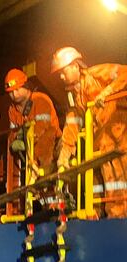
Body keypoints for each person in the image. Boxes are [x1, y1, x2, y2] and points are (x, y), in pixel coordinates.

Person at [52, 47, 127, 218]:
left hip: (121, 140)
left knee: (120, 184)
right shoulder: (74, 96)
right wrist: (64, 157)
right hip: (102, 146)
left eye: (63, 72)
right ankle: (107, 220)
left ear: (75, 66)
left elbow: (125, 73)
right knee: (106, 186)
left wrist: (106, 92)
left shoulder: (97, 74)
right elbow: (72, 124)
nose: (61, 77)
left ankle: (120, 223)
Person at [5, 68, 61, 174]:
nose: (14, 94)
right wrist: (16, 139)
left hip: (51, 146)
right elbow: (12, 132)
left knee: (47, 136)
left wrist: (25, 135)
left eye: (17, 89)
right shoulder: (12, 110)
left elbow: (42, 127)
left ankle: (45, 178)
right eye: (11, 92)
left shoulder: (40, 100)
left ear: (25, 86)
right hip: (31, 153)